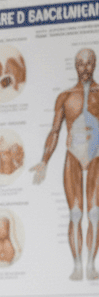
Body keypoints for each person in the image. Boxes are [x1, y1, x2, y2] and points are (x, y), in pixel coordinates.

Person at [31, 48, 99, 279]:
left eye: (89, 63)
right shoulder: (66, 96)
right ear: (75, 66)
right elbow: (54, 131)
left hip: (96, 157)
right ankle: (77, 265)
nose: (85, 68)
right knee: (76, 214)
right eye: (81, 63)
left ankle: (91, 264)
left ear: (95, 64)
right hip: (73, 156)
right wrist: (44, 161)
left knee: (95, 213)